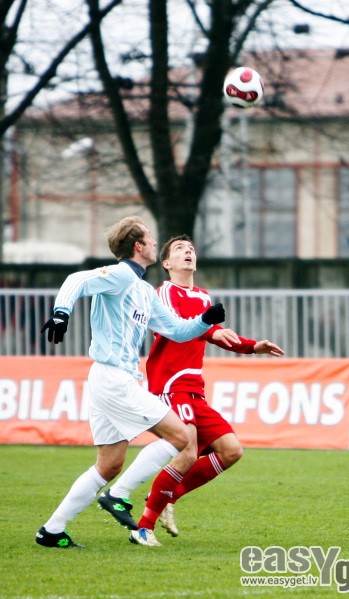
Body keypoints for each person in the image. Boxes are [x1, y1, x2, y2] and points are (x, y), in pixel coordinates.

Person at [35, 217, 225, 549]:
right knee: (181, 437)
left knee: (109, 464)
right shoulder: (122, 275)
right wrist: (61, 312)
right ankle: (119, 495)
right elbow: (76, 279)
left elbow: (176, 331)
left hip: (108, 379)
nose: (155, 243)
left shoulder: (144, 291)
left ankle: (52, 530)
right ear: (138, 246)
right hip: (113, 377)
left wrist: (204, 321)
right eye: (150, 239)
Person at [102, 234, 284, 546]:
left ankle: (168, 496)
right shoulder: (163, 292)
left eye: (191, 249)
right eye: (179, 249)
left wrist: (253, 346)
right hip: (170, 384)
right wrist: (210, 328)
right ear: (166, 263)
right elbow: (181, 326)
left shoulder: (203, 297)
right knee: (187, 451)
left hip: (194, 389)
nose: (188, 252)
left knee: (231, 451)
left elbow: (213, 331)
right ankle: (143, 528)